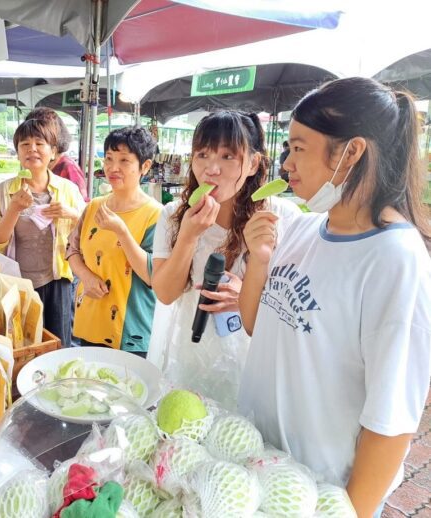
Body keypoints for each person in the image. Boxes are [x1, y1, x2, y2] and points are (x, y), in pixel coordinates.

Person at [238, 77, 431, 517]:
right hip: (255, 473)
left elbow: (391, 425)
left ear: (352, 152)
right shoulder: (301, 227)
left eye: (299, 147)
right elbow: (258, 326)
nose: (286, 163)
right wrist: (259, 260)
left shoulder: (396, 262)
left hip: (314, 497)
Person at [148, 111, 300, 410]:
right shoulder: (174, 215)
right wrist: (189, 237)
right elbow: (165, 293)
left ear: (253, 163)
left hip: (252, 362)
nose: (211, 169)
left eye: (228, 156)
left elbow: (293, 304)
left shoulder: (280, 218)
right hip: (189, 355)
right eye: (202, 154)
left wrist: (247, 294)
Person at [0, 118, 84, 347]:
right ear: (17, 152)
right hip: (15, 283)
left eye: (40, 143)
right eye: (25, 144)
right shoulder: (2, 192)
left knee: (58, 345)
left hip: (58, 281)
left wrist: (72, 213)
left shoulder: (68, 190)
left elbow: (88, 232)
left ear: (53, 150)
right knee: (22, 344)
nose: (32, 149)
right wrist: (14, 209)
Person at [67, 126, 161, 356]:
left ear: (145, 166)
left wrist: (122, 232)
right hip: (90, 322)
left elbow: (153, 275)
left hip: (129, 331)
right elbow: (72, 250)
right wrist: (86, 277)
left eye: (124, 160)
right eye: (109, 158)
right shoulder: (94, 206)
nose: (113, 167)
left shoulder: (156, 215)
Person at [24, 107, 88, 200]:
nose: (32, 148)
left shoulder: (68, 168)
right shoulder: (34, 166)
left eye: (39, 142)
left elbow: (83, 209)